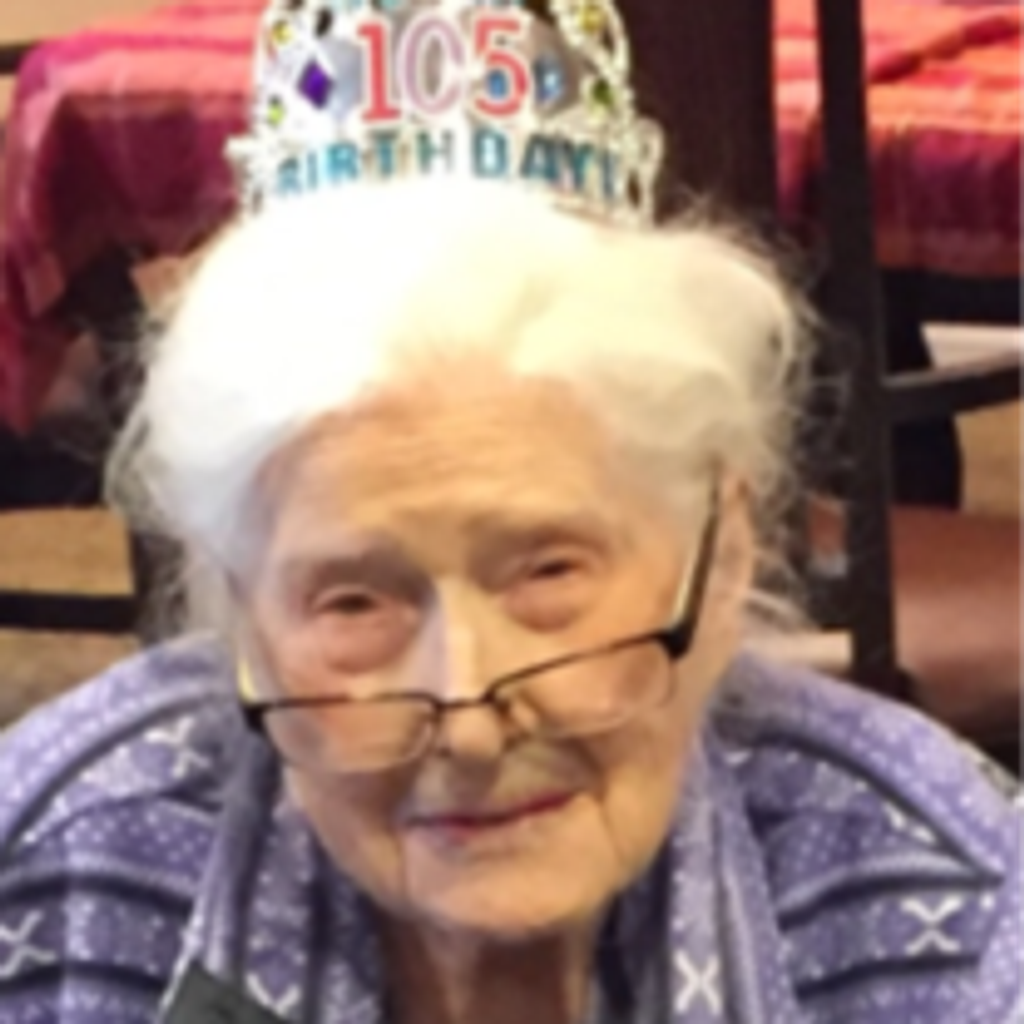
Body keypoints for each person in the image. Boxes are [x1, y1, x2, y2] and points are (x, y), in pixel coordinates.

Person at [1, 2, 1022, 1023]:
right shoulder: (55, 868)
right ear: (243, 620)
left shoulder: (950, 913)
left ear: (719, 561)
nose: (471, 721)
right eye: (355, 603)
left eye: (548, 573)